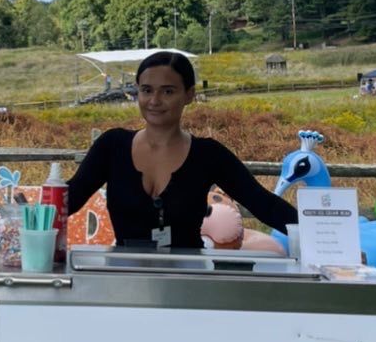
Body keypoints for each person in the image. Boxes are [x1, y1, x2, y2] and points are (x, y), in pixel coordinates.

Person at [67, 51, 297, 249]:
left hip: (187, 278)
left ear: (189, 94)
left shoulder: (209, 155)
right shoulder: (112, 146)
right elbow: (68, 199)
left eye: (168, 91)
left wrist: (323, 232)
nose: (154, 100)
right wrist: (31, 211)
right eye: (147, 90)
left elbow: (265, 205)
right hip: (127, 279)